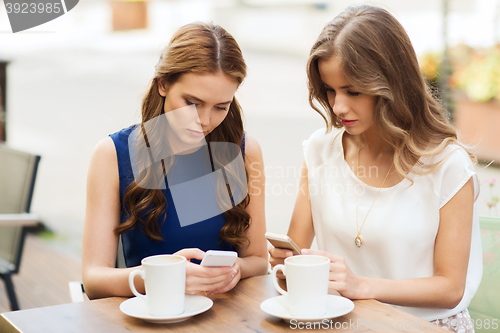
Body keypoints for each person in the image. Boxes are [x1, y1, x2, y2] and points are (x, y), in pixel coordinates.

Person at [269, 6, 481, 332]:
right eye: (330, 89)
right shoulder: (319, 150)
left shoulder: (447, 165)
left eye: (353, 91)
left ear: (392, 84)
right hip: (342, 322)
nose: (338, 106)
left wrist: (362, 286)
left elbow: (450, 288)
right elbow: (295, 252)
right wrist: (287, 267)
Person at [82, 22, 268, 300]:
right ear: (163, 84)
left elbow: (258, 259)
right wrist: (162, 277)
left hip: (225, 314)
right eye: (192, 102)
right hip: (152, 315)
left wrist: (234, 269)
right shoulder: (113, 154)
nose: (205, 121)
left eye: (221, 107)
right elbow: (94, 278)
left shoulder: (244, 151)